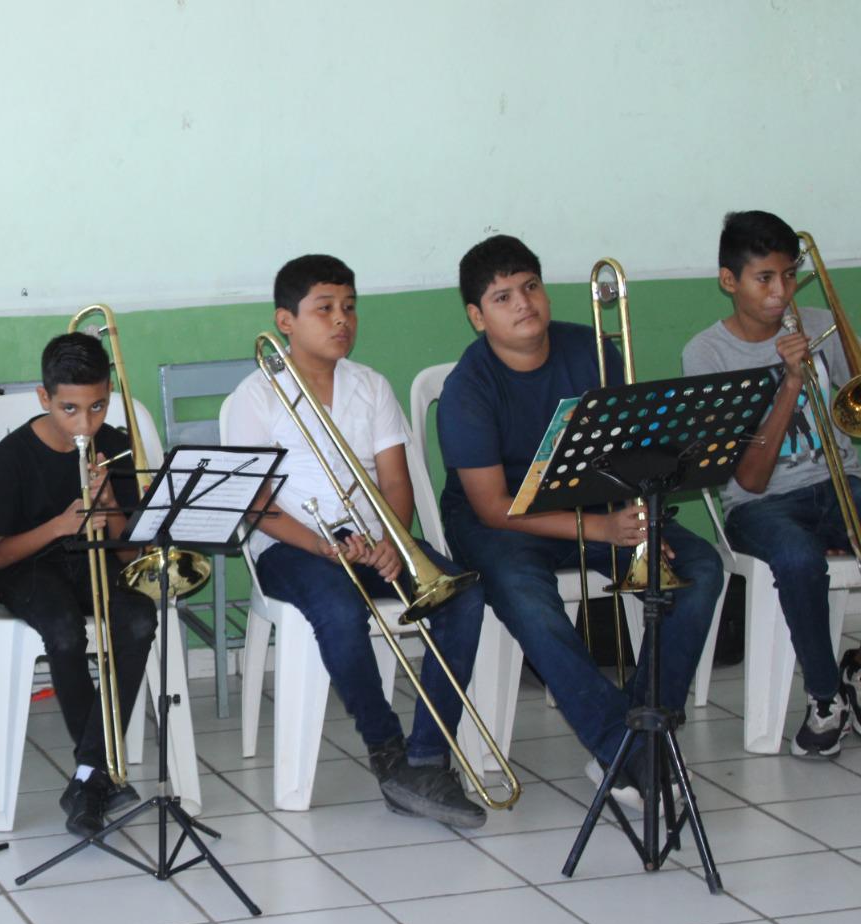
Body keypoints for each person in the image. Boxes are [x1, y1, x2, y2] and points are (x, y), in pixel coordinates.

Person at [437, 235, 725, 802]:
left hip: (596, 501)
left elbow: (628, 447)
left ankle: (638, 735)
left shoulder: (591, 348)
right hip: (500, 523)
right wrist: (598, 529)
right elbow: (493, 506)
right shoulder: (466, 389)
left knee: (699, 568)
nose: (523, 303)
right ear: (477, 316)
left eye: (530, 287)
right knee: (527, 600)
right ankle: (622, 746)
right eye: (502, 297)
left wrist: (636, 513)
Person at [227, 254, 489, 827]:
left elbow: (395, 480)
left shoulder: (369, 386)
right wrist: (321, 546)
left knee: (464, 596)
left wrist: (391, 540)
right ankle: (388, 751)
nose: (341, 319)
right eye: (324, 309)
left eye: (349, 307)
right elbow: (258, 506)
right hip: (291, 547)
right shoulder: (253, 397)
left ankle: (428, 753)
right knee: (339, 610)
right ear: (285, 321)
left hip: (373, 539)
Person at [682, 210, 861, 757]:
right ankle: (827, 697)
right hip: (759, 505)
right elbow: (750, 479)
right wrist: (789, 382)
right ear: (729, 281)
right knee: (799, 558)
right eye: (765, 278)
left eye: (788, 275)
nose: (781, 292)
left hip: (839, 479)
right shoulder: (707, 354)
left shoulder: (816, 323)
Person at [0, 331, 158, 836]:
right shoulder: (14, 455)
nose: (85, 423)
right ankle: (97, 770)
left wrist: (111, 506)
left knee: (140, 618)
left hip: (97, 563)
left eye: (97, 407)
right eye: (70, 409)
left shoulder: (114, 447)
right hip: (29, 570)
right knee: (61, 630)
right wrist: (61, 524)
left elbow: (128, 550)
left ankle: (87, 776)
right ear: (44, 399)